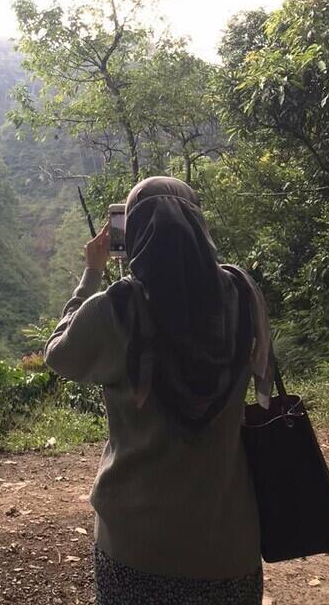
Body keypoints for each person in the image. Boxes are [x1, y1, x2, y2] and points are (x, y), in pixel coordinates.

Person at [44, 176, 273, 605]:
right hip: (229, 546)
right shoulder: (244, 295)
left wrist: (91, 274)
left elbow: (59, 354)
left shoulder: (115, 309)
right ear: (198, 225)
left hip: (135, 543)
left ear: (134, 237)